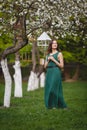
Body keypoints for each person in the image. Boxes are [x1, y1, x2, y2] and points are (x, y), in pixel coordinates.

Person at [44, 40, 67, 109]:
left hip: (56, 71)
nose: (55, 44)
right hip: (49, 72)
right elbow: (44, 66)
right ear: (50, 45)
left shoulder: (59, 54)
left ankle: (61, 105)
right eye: (53, 43)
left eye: (56, 43)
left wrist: (54, 60)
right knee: (49, 89)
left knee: (54, 89)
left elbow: (62, 66)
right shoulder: (47, 55)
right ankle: (51, 105)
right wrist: (48, 60)